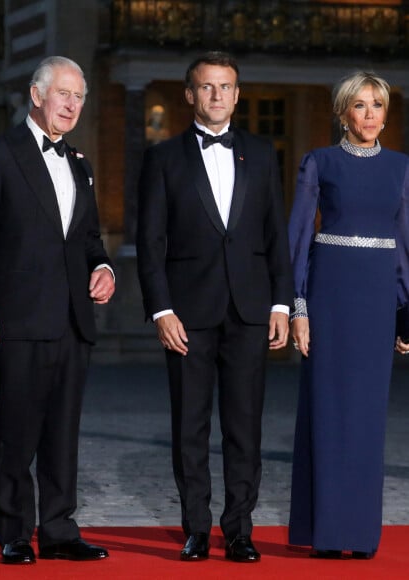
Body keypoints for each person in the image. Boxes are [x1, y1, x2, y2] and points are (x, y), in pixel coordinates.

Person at [136, 51, 293, 564]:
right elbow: (150, 243)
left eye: (226, 86)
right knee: (190, 426)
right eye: (207, 87)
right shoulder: (162, 158)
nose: (217, 95)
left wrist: (280, 303)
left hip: (250, 311)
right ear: (190, 94)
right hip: (187, 316)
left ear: (238, 93)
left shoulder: (263, 153)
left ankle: (240, 529)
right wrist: (161, 312)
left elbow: (277, 237)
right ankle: (197, 529)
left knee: (245, 426)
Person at [0, 56, 115, 565]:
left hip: (73, 320)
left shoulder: (81, 165)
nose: (71, 105)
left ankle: (60, 529)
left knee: (63, 433)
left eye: (78, 97)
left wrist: (105, 268)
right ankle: (14, 532)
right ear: (36, 95)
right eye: (63, 94)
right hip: (19, 319)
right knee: (18, 429)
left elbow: (89, 237)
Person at [288, 71, 409, 559]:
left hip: (377, 300)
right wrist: (298, 306)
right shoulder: (319, 162)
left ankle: (359, 535)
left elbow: (405, 245)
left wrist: (407, 311)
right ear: (342, 112)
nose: (369, 115)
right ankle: (328, 532)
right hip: (329, 296)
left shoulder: (402, 167)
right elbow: (298, 237)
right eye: (359, 106)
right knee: (328, 410)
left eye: (377, 105)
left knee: (366, 417)